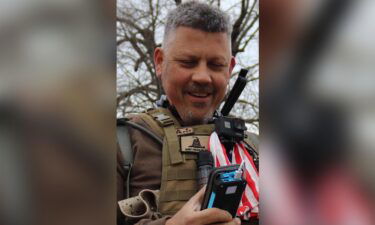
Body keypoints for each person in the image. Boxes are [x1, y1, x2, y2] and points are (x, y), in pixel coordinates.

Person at [117, 2, 259, 225]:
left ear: (230, 69)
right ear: (160, 62)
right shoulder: (122, 144)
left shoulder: (254, 149)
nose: (202, 77)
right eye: (188, 62)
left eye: (215, 64)